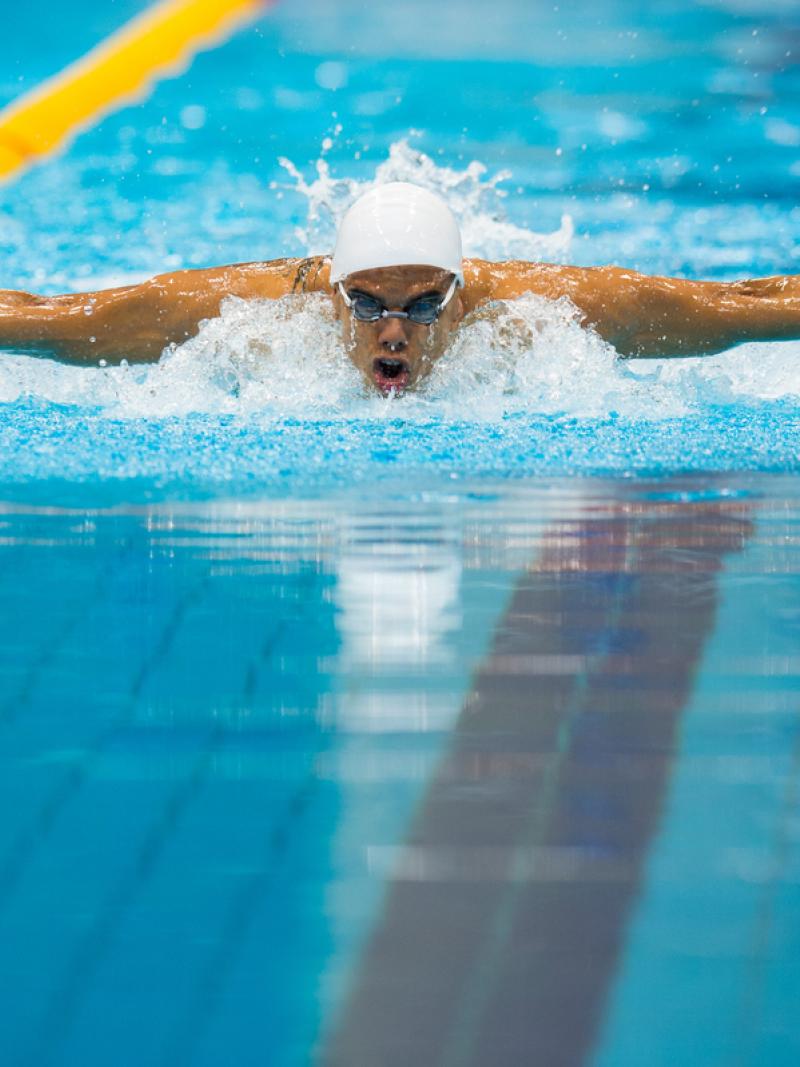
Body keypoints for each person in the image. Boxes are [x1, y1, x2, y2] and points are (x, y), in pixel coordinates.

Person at [1, 181, 799, 394]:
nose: (394, 332)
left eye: (423, 307)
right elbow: (59, 319)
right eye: (369, 305)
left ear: (456, 296)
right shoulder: (261, 308)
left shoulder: (532, 309)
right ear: (336, 294)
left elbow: (734, 306)